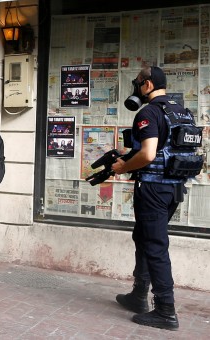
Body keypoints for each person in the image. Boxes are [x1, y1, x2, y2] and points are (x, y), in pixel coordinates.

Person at [111, 66, 186, 330]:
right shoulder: (180, 111)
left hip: (153, 189)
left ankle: (166, 311)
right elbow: (167, 148)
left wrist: (123, 166)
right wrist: (129, 151)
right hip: (173, 188)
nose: (136, 87)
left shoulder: (149, 111)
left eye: (138, 82)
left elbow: (149, 155)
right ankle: (138, 295)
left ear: (148, 84)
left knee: (155, 246)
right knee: (143, 237)